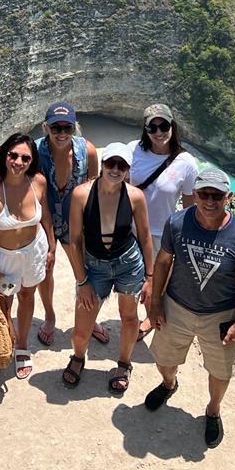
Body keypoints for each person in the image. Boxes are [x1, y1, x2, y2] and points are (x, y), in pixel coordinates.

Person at [145, 166, 235, 449]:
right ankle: (169, 384)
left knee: (220, 371)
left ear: (228, 197)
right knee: (164, 359)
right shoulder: (177, 223)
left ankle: (213, 410)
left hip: (220, 314)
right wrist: (155, 303)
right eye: (204, 194)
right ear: (194, 195)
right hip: (177, 306)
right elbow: (163, 262)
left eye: (216, 195)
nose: (209, 201)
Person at [62, 143, 152, 394]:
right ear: (102, 164)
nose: (115, 169)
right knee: (82, 329)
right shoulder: (82, 194)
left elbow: (145, 236)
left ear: (128, 169)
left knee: (129, 317)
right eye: (111, 163)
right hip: (95, 266)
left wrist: (150, 277)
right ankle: (78, 356)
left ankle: (124, 364)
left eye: (121, 165)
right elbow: (75, 240)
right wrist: (82, 281)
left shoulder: (135, 196)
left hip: (128, 263)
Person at [0, 133, 56, 393]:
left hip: (33, 253)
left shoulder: (38, 182)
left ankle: (21, 345)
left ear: (32, 161)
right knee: (1, 303)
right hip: (5, 260)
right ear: (4, 155)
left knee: (27, 296)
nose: (18, 162)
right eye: (13, 155)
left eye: (25, 158)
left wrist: (52, 247)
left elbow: (46, 217)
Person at [34, 101, 107, 345]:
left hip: (77, 222)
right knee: (46, 270)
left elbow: (93, 188)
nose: (62, 133)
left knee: (86, 272)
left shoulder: (88, 151)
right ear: (46, 128)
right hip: (44, 220)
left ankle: (88, 318)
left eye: (68, 128)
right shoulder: (35, 151)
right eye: (56, 128)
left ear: (75, 128)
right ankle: (49, 316)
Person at [127, 104, 198, 339]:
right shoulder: (133, 150)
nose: (159, 132)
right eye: (152, 127)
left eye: (164, 126)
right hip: (130, 228)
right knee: (131, 279)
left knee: (156, 283)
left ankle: (150, 317)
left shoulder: (186, 163)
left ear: (172, 126)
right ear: (145, 130)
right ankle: (131, 319)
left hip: (161, 233)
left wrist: (186, 239)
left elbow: (189, 206)